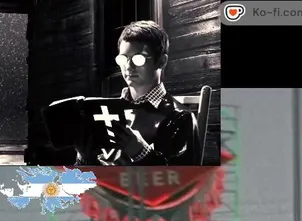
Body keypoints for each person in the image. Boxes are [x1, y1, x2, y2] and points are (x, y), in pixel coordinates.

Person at [41, 20, 200, 166]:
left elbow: (185, 180)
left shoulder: (180, 118)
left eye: (138, 59)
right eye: (123, 59)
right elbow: (89, 176)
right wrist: (85, 156)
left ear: (161, 61)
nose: (129, 67)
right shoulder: (107, 112)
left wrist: (141, 152)